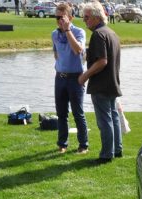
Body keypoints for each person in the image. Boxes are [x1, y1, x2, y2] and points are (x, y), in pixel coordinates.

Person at [79, 2, 122, 164]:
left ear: (96, 17)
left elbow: (102, 61)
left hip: (101, 84)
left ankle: (106, 154)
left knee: (105, 120)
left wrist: (85, 76)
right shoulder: (111, 32)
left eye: (87, 17)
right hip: (113, 82)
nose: (84, 20)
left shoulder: (98, 34)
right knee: (113, 117)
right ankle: (117, 150)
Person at [53, 2, 88, 154]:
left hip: (75, 78)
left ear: (70, 18)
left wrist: (67, 30)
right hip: (60, 78)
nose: (59, 20)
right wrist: (61, 65)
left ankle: (83, 145)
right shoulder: (54, 34)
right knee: (61, 113)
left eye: (62, 17)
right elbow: (56, 53)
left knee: (77, 113)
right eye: (56, 17)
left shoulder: (79, 32)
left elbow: (78, 50)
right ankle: (62, 144)